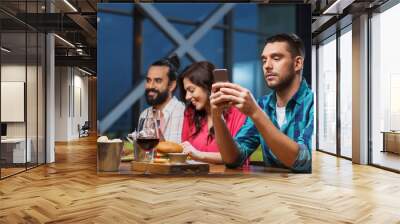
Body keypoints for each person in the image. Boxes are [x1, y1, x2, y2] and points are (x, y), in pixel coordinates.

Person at [210, 33, 314, 173]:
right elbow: (233, 159)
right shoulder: (263, 104)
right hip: (268, 190)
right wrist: (217, 116)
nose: (267, 66)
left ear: (297, 63)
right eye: (264, 60)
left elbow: (303, 161)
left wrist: (255, 112)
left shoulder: (312, 102)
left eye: (276, 58)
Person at [178, 61, 246, 164]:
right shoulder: (190, 113)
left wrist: (199, 155)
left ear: (208, 87)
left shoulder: (237, 113)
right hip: (195, 177)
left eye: (191, 90)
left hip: (230, 178)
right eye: (186, 91)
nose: (187, 97)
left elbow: (236, 157)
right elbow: (186, 151)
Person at [138, 54, 185, 143]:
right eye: (148, 80)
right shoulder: (144, 115)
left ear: (171, 85)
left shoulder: (183, 113)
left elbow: (182, 152)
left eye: (158, 81)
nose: (150, 86)